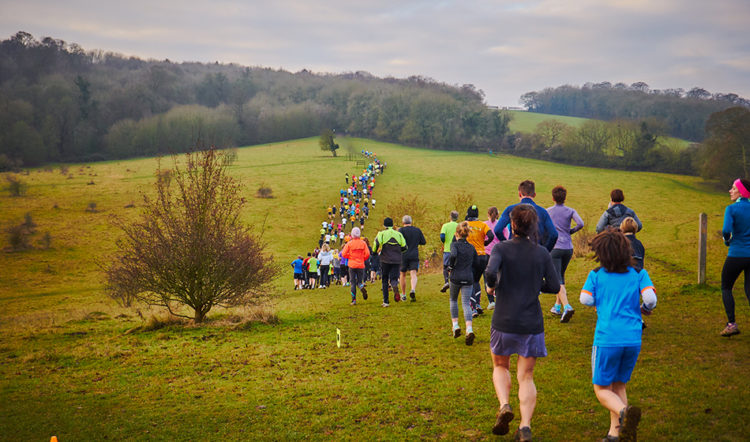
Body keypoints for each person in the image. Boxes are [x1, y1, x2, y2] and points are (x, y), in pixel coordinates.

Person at [485, 205, 560, 440]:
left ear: (512, 225)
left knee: (500, 366)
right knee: (526, 376)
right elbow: (555, 286)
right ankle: (525, 426)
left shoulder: (501, 248)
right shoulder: (541, 253)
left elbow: (489, 272)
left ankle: (505, 404)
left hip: (504, 320)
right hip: (531, 322)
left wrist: (493, 284)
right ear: (533, 226)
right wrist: (537, 286)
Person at [579, 228, 657, 442]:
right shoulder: (639, 274)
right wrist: (643, 307)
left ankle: (624, 413)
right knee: (619, 384)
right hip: (632, 339)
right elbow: (650, 299)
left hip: (607, 339)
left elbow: (584, 299)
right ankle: (616, 434)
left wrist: (599, 302)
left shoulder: (596, 275)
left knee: (602, 389)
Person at [547, 185, 584, 323]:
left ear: (553, 198)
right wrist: (571, 231)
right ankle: (557, 306)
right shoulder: (570, 210)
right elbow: (581, 223)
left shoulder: (548, 211)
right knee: (560, 276)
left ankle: (567, 306)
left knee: (557, 279)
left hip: (555, 248)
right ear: (565, 198)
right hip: (568, 248)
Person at [719, 178, 750, 337]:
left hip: (737, 254)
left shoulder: (731, 209)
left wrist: (727, 240)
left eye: (733, 188)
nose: (730, 191)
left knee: (726, 287)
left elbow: (726, 230)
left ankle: (731, 324)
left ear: (741, 192)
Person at [495, 180, 558, 252]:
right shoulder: (543, 212)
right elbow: (554, 234)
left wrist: (507, 244)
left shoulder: (511, 209)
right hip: (535, 251)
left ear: (519, 194)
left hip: (514, 250)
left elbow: (498, 230)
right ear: (534, 195)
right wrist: (545, 250)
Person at [448, 221, 479, 345]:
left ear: (457, 234)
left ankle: (455, 326)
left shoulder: (454, 245)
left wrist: (450, 266)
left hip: (456, 276)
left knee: (453, 300)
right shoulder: (471, 247)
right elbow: (476, 263)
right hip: (468, 277)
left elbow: (453, 255)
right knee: (466, 303)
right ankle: (469, 329)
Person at [465, 205, 495, 316]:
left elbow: (456, 238)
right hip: (482, 256)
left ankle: (473, 309)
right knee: (476, 281)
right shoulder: (483, 225)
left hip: (470, 256)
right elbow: (491, 235)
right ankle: (477, 304)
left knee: (469, 282)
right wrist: (485, 243)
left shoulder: (465, 225)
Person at [374, 217, 407, 307]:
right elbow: (404, 247)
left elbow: (376, 243)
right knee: (394, 278)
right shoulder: (398, 234)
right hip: (397, 259)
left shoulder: (381, 234)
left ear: (384, 225)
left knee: (384, 279)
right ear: (392, 225)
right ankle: (395, 286)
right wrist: (399, 252)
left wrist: (374, 253)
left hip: (385, 259)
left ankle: (386, 301)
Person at [399, 215, 426, 302]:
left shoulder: (401, 231)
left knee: (402, 274)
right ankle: (413, 289)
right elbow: (423, 242)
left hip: (403, 255)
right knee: (413, 274)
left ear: (403, 222)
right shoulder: (417, 230)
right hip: (414, 254)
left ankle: (403, 294)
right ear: (411, 222)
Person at [341, 227, 370, 305]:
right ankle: (361, 287)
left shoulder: (349, 243)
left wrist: (349, 256)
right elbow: (367, 254)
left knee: (353, 282)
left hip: (352, 265)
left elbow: (343, 254)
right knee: (359, 281)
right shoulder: (363, 243)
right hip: (360, 264)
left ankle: (353, 300)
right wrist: (362, 258)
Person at [484, 207, 501, 310]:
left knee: (487, 276)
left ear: (488, 214)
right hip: (498, 252)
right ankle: (499, 297)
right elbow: (506, 238)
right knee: (499, 275)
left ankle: (491, 301)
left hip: (486, 251)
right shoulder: (500, 225)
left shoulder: (484, 224)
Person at [440, 211, 460, 292]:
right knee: (455, 267)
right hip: (458, 250)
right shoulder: (459, 226)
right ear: (457, 218)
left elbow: (442, 236)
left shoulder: (445, 225)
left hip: (447, 249)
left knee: (445, 267)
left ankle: (446, 282)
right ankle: (454, 284)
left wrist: (444, 242)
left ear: (450, 217)